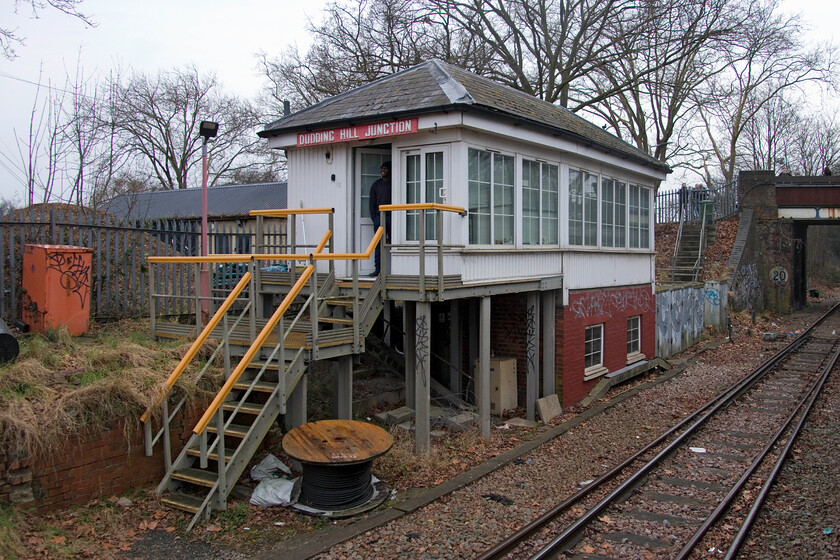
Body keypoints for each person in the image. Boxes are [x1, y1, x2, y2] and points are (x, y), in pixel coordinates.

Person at [368, 161, 392, 275]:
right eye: (382, 169)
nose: (383, 171)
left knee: (393, 244)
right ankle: (378, 270)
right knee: (377, 245)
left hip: (392, 217)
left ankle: (395, 269)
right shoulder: (376, 185)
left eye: (385, 169)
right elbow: (371, 202)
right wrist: (374, 218)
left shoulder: (393, 184)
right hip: (379, 218)